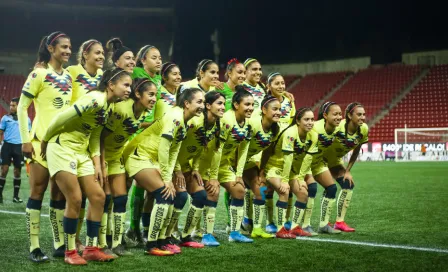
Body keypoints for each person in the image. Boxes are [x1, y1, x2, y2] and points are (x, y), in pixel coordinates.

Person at [41, 68, 131, 265]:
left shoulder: (107, 107)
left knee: (99, 197)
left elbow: (95, 135)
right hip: (62, 147)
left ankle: (91, 249)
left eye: (130, 86)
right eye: (125, 85)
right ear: (111, 84)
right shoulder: (95, 99)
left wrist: (97, 163)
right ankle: (70, 251)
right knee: (74, 199)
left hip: (81, 152)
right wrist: (46, 139)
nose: (129, 90)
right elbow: (61, 117)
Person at [122, 88, 204, 256]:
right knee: (164, 194)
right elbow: (164, 149)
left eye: (203, 102)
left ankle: (161, 240)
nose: (202, 106)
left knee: (173, 195)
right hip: (140, 158)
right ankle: (151, 244)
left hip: (152, 160)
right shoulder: (175, 117)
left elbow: (174, 151)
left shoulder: (184, 120)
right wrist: (167, 179)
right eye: (199, 102)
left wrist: (172, 174)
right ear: (187, 103)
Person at [18, 31, 73, 262]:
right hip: (40, 144)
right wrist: (25, 140)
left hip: (61, 146)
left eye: (70, 47)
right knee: (37, 193)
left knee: (59, 195)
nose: (68, 51)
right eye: (63, 47)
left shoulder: (69, 77)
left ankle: (59, 244)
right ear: (51, 49)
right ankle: (34, 247)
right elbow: (22, 107)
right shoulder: (38, 74)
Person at [125, 62, 181, 247]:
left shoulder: (174, 96)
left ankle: (150, 233)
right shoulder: (153, 93)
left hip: (154, 148)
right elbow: (152, 123)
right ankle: (132, 231)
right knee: (123, 193)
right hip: (138, 146)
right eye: (173, 73)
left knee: (156, 193)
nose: (178, 77)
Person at [100, 78, 157, 256]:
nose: (154, 99)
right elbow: (101, 136)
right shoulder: (122, 109)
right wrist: (100, 162)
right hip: (102, 157)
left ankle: (116, 243)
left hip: (117, 157)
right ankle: (103, 243)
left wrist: (157, 123)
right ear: (138, 94)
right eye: (151, 94)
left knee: (120, 199)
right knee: (105, 199)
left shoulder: (140, 112)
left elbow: (135, 124)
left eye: (156, 95)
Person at [172, 91, 225, 249]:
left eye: (224, 103)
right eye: (219, 104)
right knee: (180, 197)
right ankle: (168, 234)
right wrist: (177, 170)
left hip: (186, 165)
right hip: (172, 164)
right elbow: (174, 145)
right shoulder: (193, 122)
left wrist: (195, 169)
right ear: (208, 106)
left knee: (201, 195)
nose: (223, 107)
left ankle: (186, 236)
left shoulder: (215, 125)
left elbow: (200, 148)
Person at [66, 39, 104, 252]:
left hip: (90, 142)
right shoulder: (71, 71)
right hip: (68, 140)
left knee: (92, 195)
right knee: (72, 197)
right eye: (96, 53)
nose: (101, 57)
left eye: (102, 54)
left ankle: (85, 244)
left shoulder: (101, 78)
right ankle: (71, 242)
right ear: (85, 54)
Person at [214, 86, 254, 243]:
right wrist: (212, 176)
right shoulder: (226, 120)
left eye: (252, 105)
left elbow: (243, 151)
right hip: (208, 164)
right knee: (210, 193)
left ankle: (235, 233)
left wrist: (239, 174)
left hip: (224, 166)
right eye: (247, 104)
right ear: (236, 105)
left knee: (239, 190)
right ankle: (204, 233)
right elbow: (218, 149)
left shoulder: (248, 124)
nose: (250, 108)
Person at [238, 95, 281, 239]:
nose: (278, 112)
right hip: (231, 159)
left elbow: (267, 151)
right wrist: (237, 172)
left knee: (260, 188)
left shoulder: (275, 128)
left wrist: (262, 172)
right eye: (274, 109)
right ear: (263, 110)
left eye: (279, 109)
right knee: (235, 190)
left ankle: (256, 228)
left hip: (246, 161)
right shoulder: (253, 124)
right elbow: (240, 148)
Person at [324, 102, 368, 232]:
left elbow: (356, 151)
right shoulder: (337, 127)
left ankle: (339, 222)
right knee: (320, 188)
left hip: (334, 161)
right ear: (349, 115)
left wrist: (347, 171)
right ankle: (313, 223)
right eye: (359, 114)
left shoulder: (364, 129)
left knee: (348, 184)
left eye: (364, 115)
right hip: (319, 159)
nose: (362, 117)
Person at [304, 101, 343, 235]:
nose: (338, 117)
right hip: (305, 162)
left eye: (340, 114)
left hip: (318, 162)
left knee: (332, 188)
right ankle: (305, 225)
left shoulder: (338, 128)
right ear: (325, 115)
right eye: (335, 114)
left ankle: (324, 225)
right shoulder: (315, 128)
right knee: (312, 188)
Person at [0, 97, 31, 204]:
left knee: (17, 172)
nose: (11, 107)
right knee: (4, 170)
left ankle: (15, 197)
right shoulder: (5, 118)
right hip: (7, 146)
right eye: (10, 105)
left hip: (19, 147)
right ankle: (0, 195)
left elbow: (29, 134)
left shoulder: (26, 119)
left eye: (13, 105)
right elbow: (0, 132)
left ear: (19, 106)